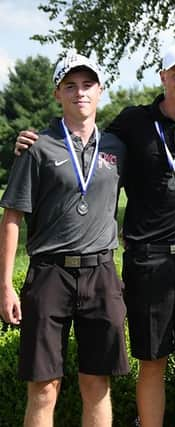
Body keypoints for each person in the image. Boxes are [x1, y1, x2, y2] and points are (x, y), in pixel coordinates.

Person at [13, 42, 175, 427]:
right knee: (150, 362)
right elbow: (82, 142)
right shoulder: (130, 124)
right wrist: (35, 140)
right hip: (145, 259)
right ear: (162, 77)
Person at [0, 51, 128, 426]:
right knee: (44, 387)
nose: (80, 93)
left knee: (97, 383)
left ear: (100, 91)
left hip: (101, 273)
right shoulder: (36, 146)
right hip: (49, 274)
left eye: (88, 84)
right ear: (58, 94)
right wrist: (5, 285)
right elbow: (12, 218)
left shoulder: (118, 147)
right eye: (70, 86)